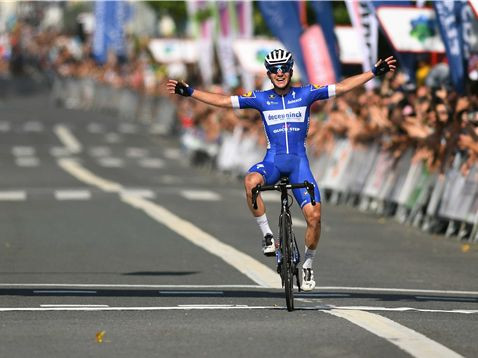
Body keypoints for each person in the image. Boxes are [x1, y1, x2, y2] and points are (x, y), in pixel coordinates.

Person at [167, 49, 396, 291]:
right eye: (274, 70)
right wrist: (190, 92)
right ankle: (267, 234)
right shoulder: (261, 98)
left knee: (315, 218)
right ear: (268, 74)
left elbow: (341, 87)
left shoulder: (306, 93)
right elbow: (224, 102)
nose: (279, 73)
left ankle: (308, 263)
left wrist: (373, 73)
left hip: (299, 164)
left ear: (290, 70)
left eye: (283, 68)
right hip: (273, 162)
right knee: (250, 182)